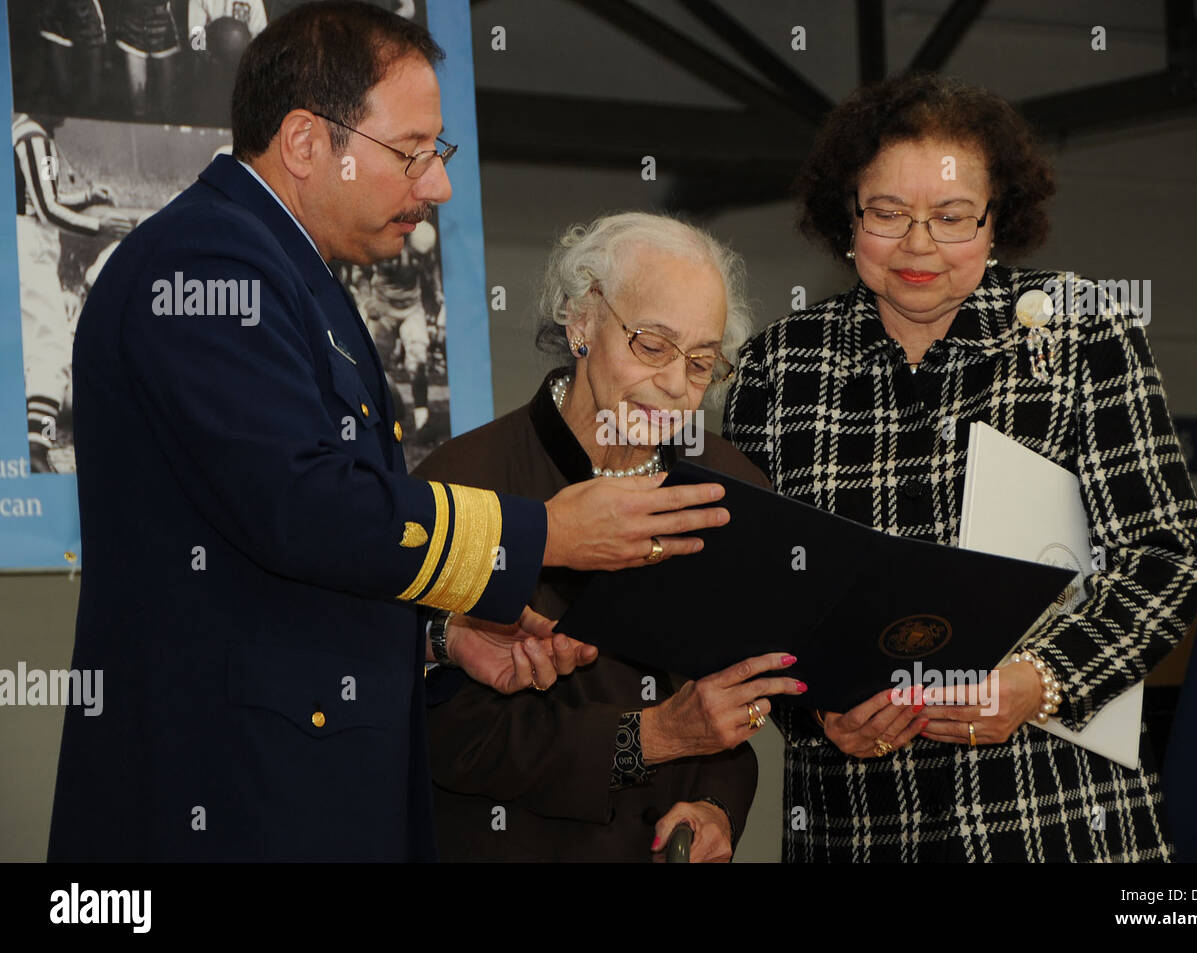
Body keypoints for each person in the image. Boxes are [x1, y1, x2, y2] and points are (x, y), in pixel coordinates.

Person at [48, 1, 727, 862]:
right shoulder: (208, 265)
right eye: (412, 153)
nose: (437, 186)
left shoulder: (293, 276)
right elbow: (301, 506)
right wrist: (549, 530)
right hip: (225, 795)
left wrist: (443, 633)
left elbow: (286, 570)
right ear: (304, 142)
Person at [722, 73, 1197, 863]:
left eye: (951, 217)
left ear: (997, 221)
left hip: (1062, 812)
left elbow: (1169, 557)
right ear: (845, 217)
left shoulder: (1083, 333)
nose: (919, 245)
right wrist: (813, 712)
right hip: (859, 823)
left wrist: (1044, 680)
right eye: (887, 214)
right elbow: (748, 595)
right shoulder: (777, 366)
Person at [415, 213, 805, 862]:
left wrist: (715, 803)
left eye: (702, 362)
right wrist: (644, 737)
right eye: (652, 345)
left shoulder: (731, 487)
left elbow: (728, 705)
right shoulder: (467, 486)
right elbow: (446, 734)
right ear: (582, 320)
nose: (677, 386)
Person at [12, 112, 133, 473]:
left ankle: (36, 445)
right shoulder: (33, 137)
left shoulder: (31, 134)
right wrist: (99, 224)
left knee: (33, 350)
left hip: (27, 241)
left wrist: (87, 195)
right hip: (28, 244)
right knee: (51, 349)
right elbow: (47, 210)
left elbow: (47, 195)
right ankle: (38, 447)